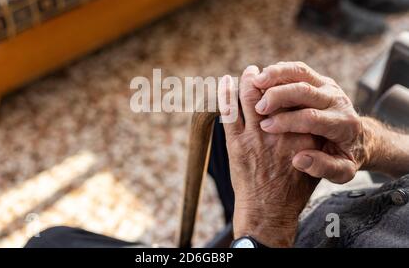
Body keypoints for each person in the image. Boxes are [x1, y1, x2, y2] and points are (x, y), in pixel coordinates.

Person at [27, 62, 409, 248]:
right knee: (232, 131)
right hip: (343, 201)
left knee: (51, 245)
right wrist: (367, 141)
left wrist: (264, 226)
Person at [213, 62, 409, 248]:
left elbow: (266, 226)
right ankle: (233, 221)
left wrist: (264, 226)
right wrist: (366, 141)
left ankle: (237, 230)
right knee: (231, 124)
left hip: (296, 234)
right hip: (361, 191)